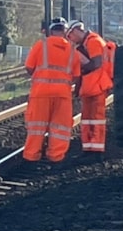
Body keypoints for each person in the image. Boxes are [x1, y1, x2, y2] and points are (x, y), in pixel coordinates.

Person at [22, 17, 80, 166]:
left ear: (51, 30)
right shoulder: (72, 50)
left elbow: (29, 67)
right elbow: (76, 75)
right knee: (60, 127)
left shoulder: (40, 45)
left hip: (40, 93)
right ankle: (56, 156)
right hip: (62, 95)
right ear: (65, 31)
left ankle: (31, 156)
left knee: (36, 126)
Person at [66, 19, 113, 156]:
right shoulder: (86, 43)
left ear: (75, 31)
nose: (71, 40)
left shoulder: (94, 41)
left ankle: (97, 149)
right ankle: (88, 147)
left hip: (97, 86)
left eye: (70, 36)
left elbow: (96, 64)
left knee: (96, 119)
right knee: (87, 119)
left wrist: (79, 63)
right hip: (90, 87)